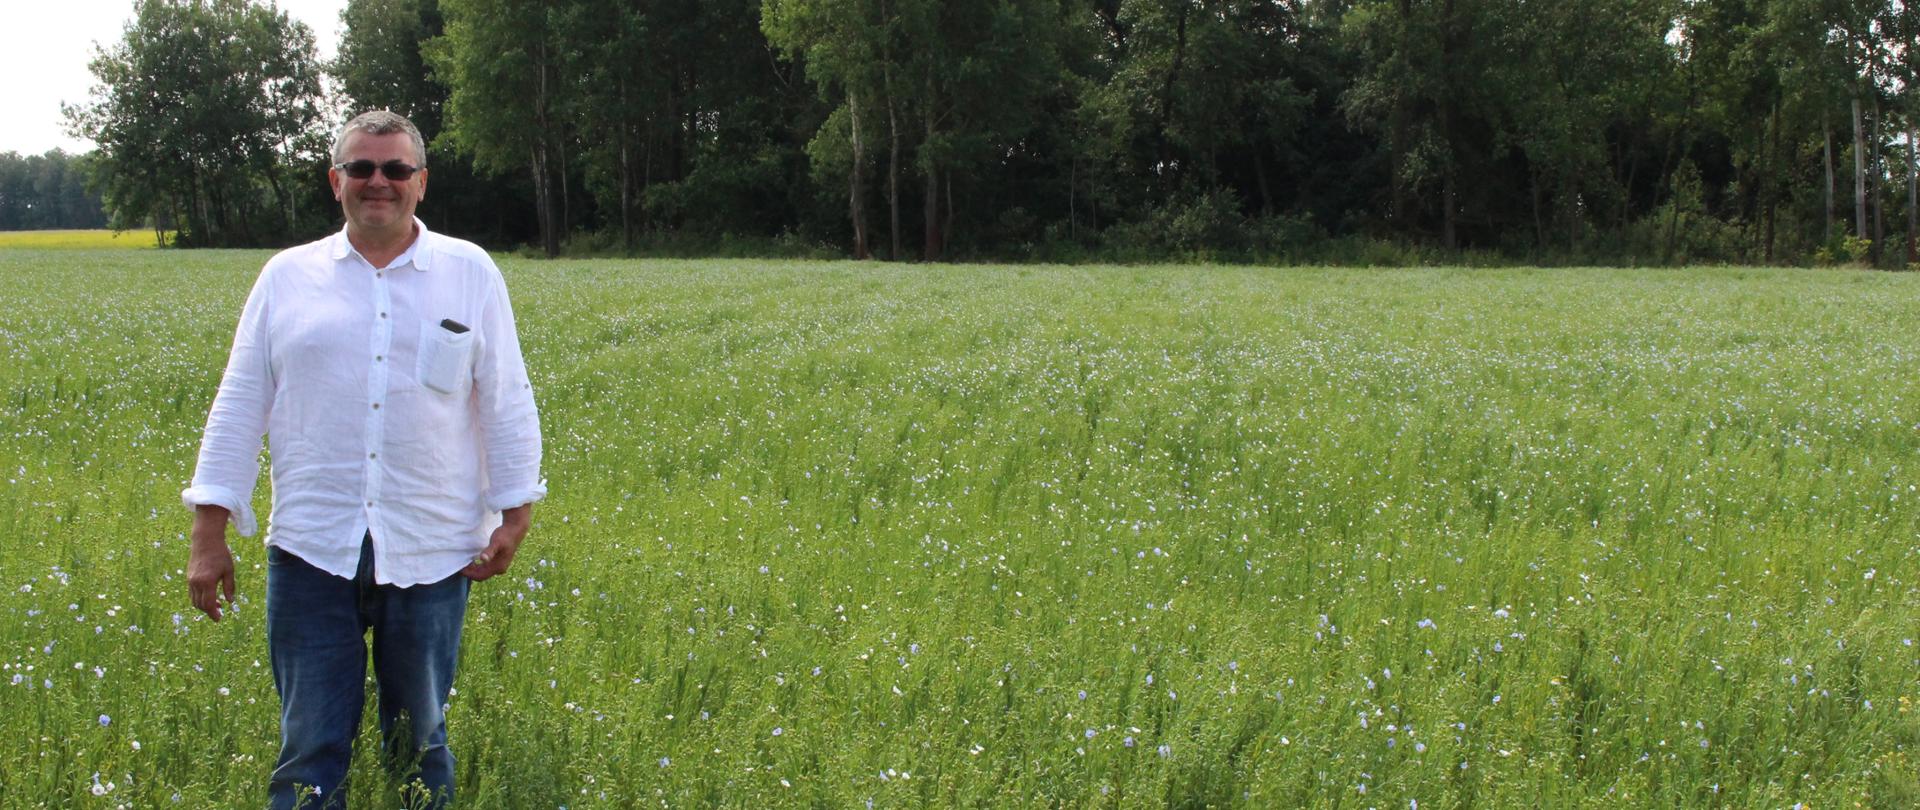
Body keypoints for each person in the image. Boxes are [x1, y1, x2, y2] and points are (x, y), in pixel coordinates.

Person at [182, 110, 545, 809]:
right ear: (336, 180)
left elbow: (505, 395)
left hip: (433, 545)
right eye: (361, 168)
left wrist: (516, 512)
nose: (378, 182)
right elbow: (239, 401)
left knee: (420, 745)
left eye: (396, 170)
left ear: (421, 183)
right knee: (309, 751)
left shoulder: (469, 273)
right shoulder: (286, 278)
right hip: (312, 547)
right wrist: (209, 532)